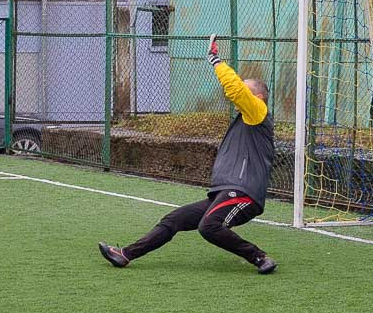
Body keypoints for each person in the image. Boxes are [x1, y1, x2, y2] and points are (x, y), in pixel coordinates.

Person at [98, 36, 277, 274]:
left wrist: (216, 61)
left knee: (209, 226)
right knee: (174, 220)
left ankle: (259, 257)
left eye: (246, 89)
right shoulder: (246, 117)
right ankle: (125, 255)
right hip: (226, 192)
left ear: (258, 98)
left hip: (244, 193)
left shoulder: (258, 113)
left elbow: (234, 90)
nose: (238, 92)